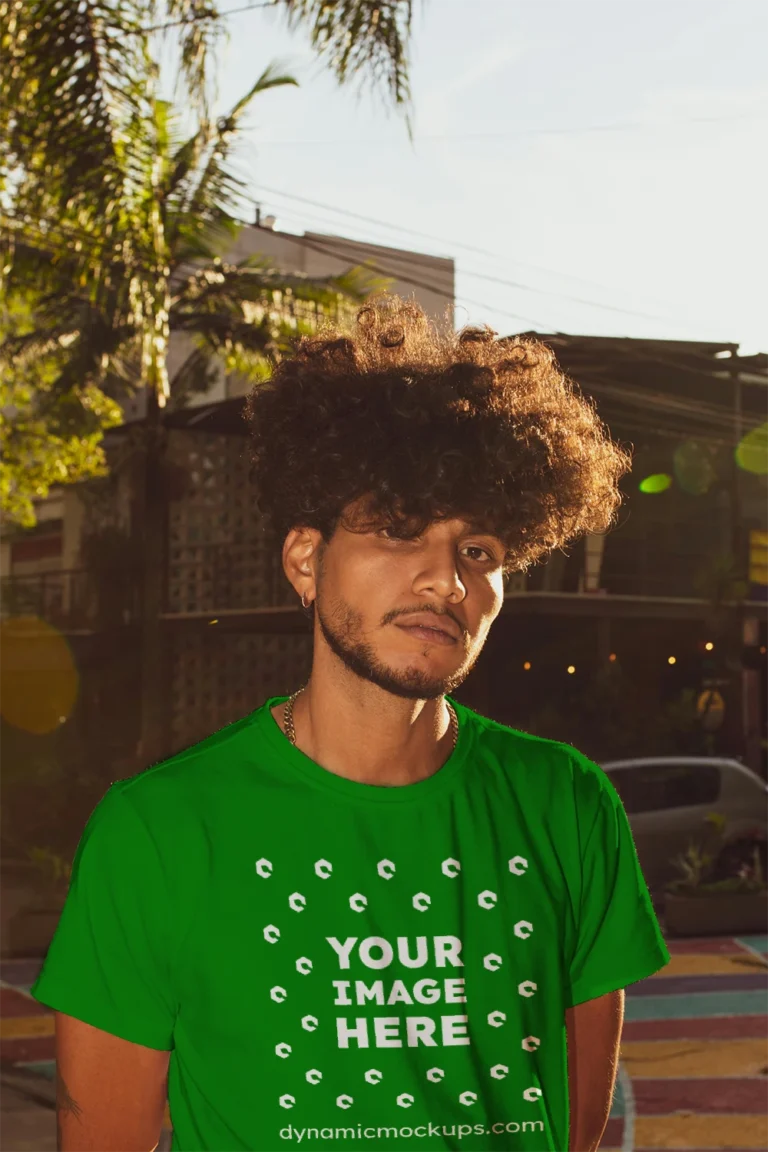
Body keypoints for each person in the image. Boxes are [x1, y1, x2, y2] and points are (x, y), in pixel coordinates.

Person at [31, 295, 670, 1151]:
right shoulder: (159, 829)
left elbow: (572, 1130)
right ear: (306, 560)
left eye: (478, 551)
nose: (447, 578)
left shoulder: (567, 802)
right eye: (401, 531)